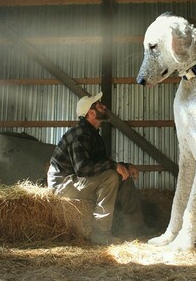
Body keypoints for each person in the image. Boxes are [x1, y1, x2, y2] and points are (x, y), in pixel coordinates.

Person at [47, 92, 146, 245]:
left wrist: (125, 167)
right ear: (91, 113)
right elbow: (83, 169)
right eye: (100, 105)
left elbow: (100, 163)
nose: (104, 106)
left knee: (123, 177)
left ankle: (135, 230)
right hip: (63, 185)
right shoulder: (79, 135)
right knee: (111, 176)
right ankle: (100, 235)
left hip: (80, 182)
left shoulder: (93, 134)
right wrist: (114, 166)